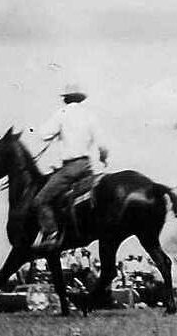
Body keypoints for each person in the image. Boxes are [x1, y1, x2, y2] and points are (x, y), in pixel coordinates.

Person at [32, 84, 109, 251]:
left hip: (70, 169)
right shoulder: (90, 115)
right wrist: (103, 158)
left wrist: (54, 133)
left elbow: (43, 134)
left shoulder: (62, 113)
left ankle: (52, 233)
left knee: (40, 200)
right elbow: (103, 145)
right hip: (87, 167)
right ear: (81, 98)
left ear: (66, 98)